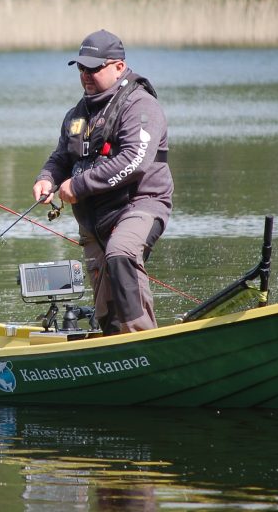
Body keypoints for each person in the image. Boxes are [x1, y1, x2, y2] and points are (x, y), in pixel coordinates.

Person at [33, 29, 173, 334]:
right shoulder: (76, 115)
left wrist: (78, 186)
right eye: (81, 68)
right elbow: (61, 158)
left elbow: (135, 161)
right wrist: (47, 179)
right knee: (105, 301)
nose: (86, 75)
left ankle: (143, 338)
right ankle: (112, 347)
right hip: (94, 219)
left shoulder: (140, 106)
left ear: (119, 67)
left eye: (94, 68)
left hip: (140, 205)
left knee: (121, 253)